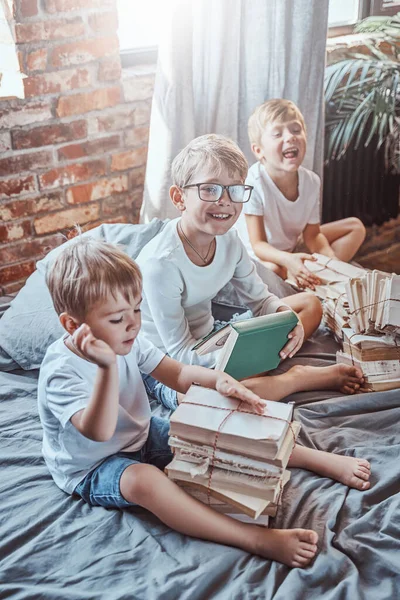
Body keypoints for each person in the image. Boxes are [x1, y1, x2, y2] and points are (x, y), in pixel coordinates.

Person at [38, 237, 371, 568]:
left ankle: (314, 459)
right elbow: (99, 431)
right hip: (92, 465)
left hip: (138, 433)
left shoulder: (130, 338)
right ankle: (252, 538)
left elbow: (179, 374)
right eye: (116, 319)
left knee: (208, 425)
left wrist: (219, 381)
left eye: (137, 310)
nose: (133, 324)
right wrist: (107, 367)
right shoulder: (60, 372)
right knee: (145, 481)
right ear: (73, 325)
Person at [136, 134, 365, 409]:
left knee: (308, 305)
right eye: (210, 189)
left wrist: (283, 321)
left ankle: (262, 367)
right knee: (206, 402)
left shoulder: (230, 241)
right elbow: (182, 356)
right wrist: (244, 352)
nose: (225, 201)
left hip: (214, 336)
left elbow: (261, 301)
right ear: (179, 197)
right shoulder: (161, 264)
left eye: (235, 190)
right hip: (168, 362)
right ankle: (295, 378)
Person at [237, 99, 366, 290]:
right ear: (259, 150)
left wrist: (331, 261)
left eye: (296, 130)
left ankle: (316, 275)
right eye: (277, 134)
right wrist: (288, 260)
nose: (290, 137)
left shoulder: (312, 181)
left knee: (355, 227)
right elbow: (258, 245)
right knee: (273, 270)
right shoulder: (254, 182)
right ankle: (302, 276)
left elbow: (313, 236)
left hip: (290, 247)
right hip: (261, 255)